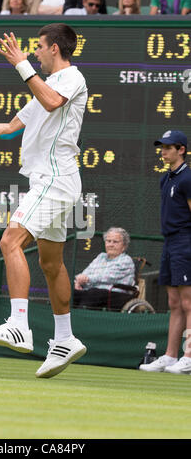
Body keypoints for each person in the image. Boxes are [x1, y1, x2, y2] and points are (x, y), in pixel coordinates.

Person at [0, 23, 88, 379]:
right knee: (51, 263)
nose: (35, 53)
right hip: (54, 181)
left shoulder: (71, 79)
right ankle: (65, 338)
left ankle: (19, 326)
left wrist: (20, 65)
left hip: (55, 179)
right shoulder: (44, 87)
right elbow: (11, 127)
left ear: (55, 49)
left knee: (10, 240)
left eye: (39, 47)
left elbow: (53, 101)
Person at [140, 130, 191, 374]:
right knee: (174, 302)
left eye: (169, 147)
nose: (163, 151)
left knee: (188, 302)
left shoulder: (188, 179)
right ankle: (171, 356)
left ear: (181, 150)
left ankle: (189, 356)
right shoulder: (165, 179)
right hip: (170, 243)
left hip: (186, 242)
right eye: (162, 147)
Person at [73, 228, 135, 310]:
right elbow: (86, 272)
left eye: (115, 242)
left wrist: (87, 279)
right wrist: (78, 281)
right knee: (70, 292)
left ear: (124, 246)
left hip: (115, 295)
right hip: (93, 292)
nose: (111, 244)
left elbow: (108, 277)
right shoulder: (101, 257)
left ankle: (80, 320)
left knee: (93, 293)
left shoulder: (126, 260)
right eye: (108, 241)